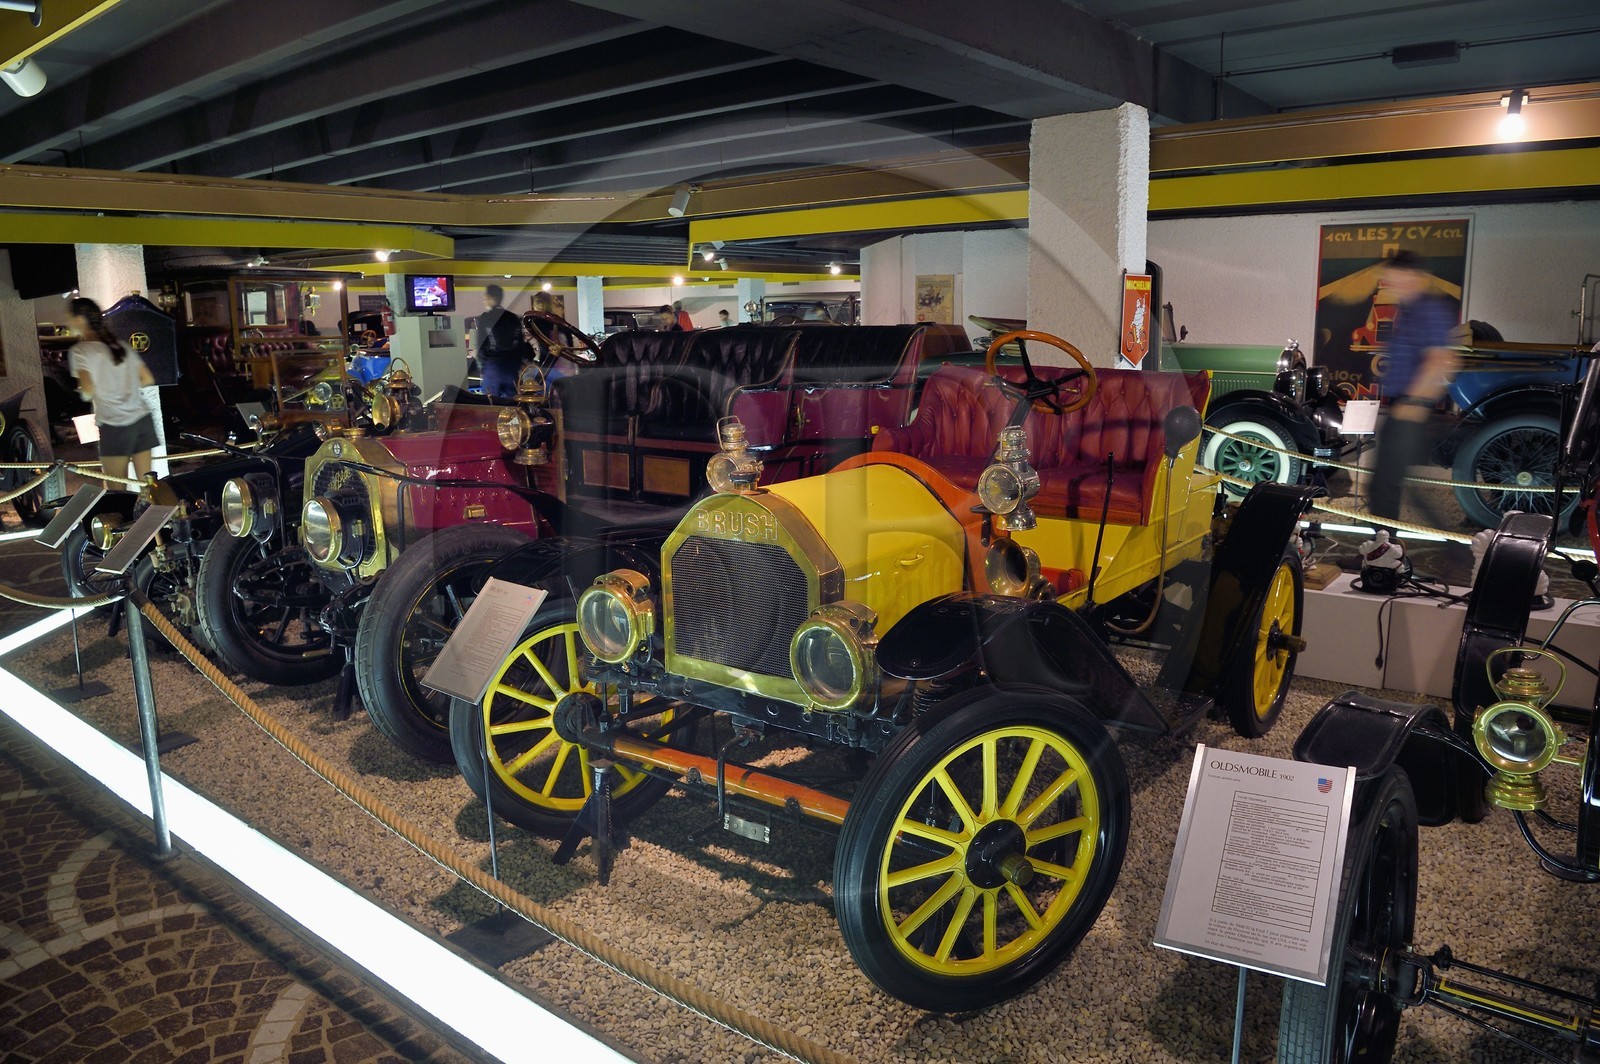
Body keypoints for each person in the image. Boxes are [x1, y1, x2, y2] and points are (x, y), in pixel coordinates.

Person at [1367, 250, 1462, 521]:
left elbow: (1441, 361)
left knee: (1386, 484)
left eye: (1394, 277)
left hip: (1410, 408)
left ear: (1412, 276)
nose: (1390, 283)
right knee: (1389, 483)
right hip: (1403, 406)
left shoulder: (1428, 310)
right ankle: (1386, 541)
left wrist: (1414, 403)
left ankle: (1389, 541)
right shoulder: (1409, 310)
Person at [68, 296, 158, 481]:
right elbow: (148, 378)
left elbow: (88, 391)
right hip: (142, 420)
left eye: (70, 317)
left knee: (117, 488)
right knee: (148, 485)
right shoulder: (122, 346)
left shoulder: (79, 351)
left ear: (80, 319)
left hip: (114, 424)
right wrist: (124, 385)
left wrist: (85, 391)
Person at [474, 284, 525, 399]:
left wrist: (482, 367)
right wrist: (517, 365)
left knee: (491, 403)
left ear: (491, 298)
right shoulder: (513, 318)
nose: (484, 301)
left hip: (492, 367)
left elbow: (481, 344)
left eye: (485, 297)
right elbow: (520, 345)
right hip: (511, 367)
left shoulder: (485, 318)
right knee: (512, 402)